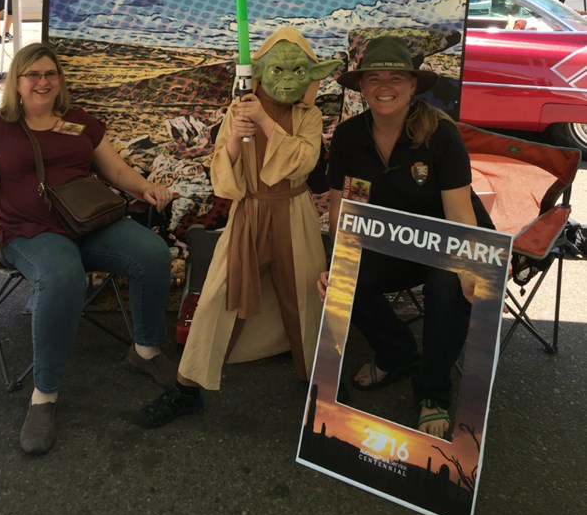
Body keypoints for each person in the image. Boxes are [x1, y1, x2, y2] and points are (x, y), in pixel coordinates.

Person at [0, 42, 176, 455]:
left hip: (90, 223)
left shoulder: (79, 122)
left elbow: (117, 170)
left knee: (152, 253)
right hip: (31, 233)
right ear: (17, 82)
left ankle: (145, 350)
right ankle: (44, 396)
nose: (42, 81)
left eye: (50, 73)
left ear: (60, 80)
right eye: (32, 74)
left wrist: (146, 187)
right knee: (62, 276)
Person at [138, 27, 339, 428]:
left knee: (305, 299)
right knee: (216, 297)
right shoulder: (238, 111)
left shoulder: (309, 115)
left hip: (293, 212)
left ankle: (321, 385)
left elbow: (303, 161)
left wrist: (264, 122)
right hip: (249, 213)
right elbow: (222, 175)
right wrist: (234, 141)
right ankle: (186, 387)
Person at [317, 35, 493, 439]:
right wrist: (336, 263)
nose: (384, 86)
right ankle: (397, 353)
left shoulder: (440, 135)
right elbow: (342, 207)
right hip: (391, 245)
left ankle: (433, 392)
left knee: (450, 285)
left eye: (395, 77)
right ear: (361, 87)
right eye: (373, 77)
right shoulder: (348, 137)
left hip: (447, 241)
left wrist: (469, 268)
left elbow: (460, 213)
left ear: (413, 86)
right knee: (342, 282)